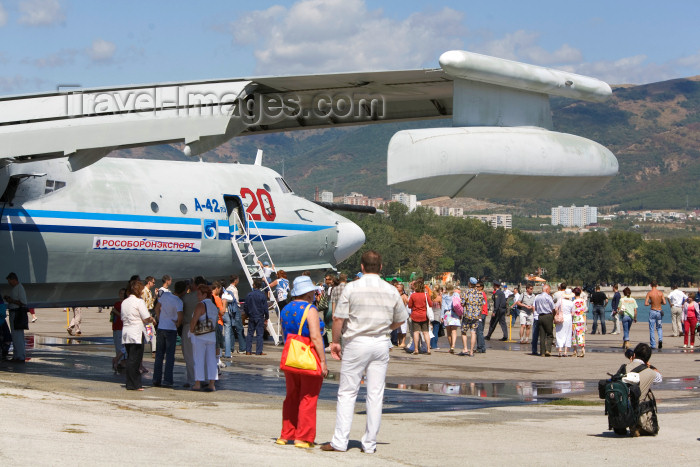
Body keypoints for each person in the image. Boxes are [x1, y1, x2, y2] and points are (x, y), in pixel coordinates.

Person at [321, 250, 407, 454]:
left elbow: (338, 318)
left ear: (361, 267)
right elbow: (401, 319)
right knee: (375, 394)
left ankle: (340, 441)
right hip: (380, 343)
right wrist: (386, 329)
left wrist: (334, 341)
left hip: (356, 342)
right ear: (381, 267)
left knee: (348, 392)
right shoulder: (391, 290)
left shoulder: (351, 288)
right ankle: (369, 444)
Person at [277, 276, 328, 449]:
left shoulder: (285, 309)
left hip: (291, 355)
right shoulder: (310, 309)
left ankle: (286, 434)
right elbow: (315, 337)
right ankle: (303, 437)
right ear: (308, 292)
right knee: (308, 397)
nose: (315, 293)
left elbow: (284, 335)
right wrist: (323, 361)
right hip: (308, 355)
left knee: (291, 396)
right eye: (313, 291)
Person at [121, 280, 156, 390]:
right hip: (136, 332)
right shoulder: (139, 301)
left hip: (126, 331)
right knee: (135, 360)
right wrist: (152, 320)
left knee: (130, 357)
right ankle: (135, 383)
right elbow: (146, 317)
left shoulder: (124, 302)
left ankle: (130, 383)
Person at [152, 281, 185, 388]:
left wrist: (159, 317)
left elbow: (157, 308)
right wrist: (177, 324)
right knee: (170, 356)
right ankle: (167, 379)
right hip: (171, 329)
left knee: (159, 355)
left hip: (161, 327)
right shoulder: (179, 301)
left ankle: (156, 379)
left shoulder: (165, 295)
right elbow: (180, 316)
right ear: (184, 291)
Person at [626, 343, 662, 437]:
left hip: (623, 408)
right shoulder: (650, 372)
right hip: (639, 408)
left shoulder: (624, 367)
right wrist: (649, 366)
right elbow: (659, 378)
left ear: (634, 355)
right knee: (647, 393)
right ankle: (639, 425)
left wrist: (631, 363)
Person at [189, 284, 219, 391]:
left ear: (204, 294)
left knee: (198, 359)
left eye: (199, 294)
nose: (197, 296)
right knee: (212, 360)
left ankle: (198, 383)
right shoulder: (214, 306)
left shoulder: (200, 305)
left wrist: (192, 330)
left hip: (200, 336)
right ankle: (212, 383)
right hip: (211, 336)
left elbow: (194, 320)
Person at [181, 276, 207, 387]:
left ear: (194, 285)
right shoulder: (207, 298)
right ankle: (204, 378)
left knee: (189, 354)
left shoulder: (186, 298)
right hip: (204, 326)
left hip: (189, 325)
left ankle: (192, 379)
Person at [4, 272, 28, 363]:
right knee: (15, 335)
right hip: (14, 313)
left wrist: (11, 300)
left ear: (14, 280)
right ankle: (17, 355)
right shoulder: (15, 288)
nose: (9, 283)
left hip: (17, 314)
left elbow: (23, 302)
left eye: (10, 281)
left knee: (18, 335)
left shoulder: (19, 288)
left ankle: (20, 356)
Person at [407, 278, 433, 355]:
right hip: (424, 316)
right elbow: (430, 304)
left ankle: (416, 349)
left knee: (416, 332)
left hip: (415, 316)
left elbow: (409, 306)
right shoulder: (426, 295)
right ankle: (428, 349)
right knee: (426, 332)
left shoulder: (413, 295)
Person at [244, 278, 269, 355]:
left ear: (254, 285)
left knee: (250, 334)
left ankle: (248, 350)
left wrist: (247, 314)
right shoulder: (262, 295)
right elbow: (265, 308)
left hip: (252, 316)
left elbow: (246, 306)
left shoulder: (249, 295)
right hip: (260, 316)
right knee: (259, 334)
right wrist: (267, 317)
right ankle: (259, 351)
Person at [462, 278, 484, 357]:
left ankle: (465, 348)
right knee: (473, 332)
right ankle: (471, 351)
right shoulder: (479, 293)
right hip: (476, 315)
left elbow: (462, 303)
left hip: (467, 315)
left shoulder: (466, 292)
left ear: (469, 283)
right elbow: (482, 304)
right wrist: (479, 314)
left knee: (464, 331)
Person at [644, 280, 666, 350]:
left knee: (651, 328)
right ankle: (660, 339)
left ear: (650, 285)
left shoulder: (649, 293)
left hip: (653, 311)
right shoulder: (660, 293)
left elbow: (646, 303)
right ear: (657, 285)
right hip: (659, 311)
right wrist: (660, 302)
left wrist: (651, 303)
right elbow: (664, 302)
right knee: (659, 327)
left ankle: (653, 344)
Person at [534, 284, 555, 357]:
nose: (549, 292)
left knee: (542, 335)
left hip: (540, 316)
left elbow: (535, 307)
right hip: (547, 316)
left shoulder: (537, 297)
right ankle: (548, 350)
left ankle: (542, 352)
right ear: (546, 290)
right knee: (549, 334)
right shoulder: (548, 297)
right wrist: (553, 316)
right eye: (549, 290)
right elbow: (553, 307)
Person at [110, 288, 127, 373]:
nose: (121, 295)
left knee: (121, 346)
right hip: (117, 327)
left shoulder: (125, 303)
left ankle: (120, 361)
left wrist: (115, 312)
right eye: (120, 293)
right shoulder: (117, 303)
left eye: (123, 293)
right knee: (118, 345)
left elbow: (123, 316)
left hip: (122, 327)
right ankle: (119, 360)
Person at [555, 289, 574, 357]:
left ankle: (560, 349)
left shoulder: (560, 300)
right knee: (567, 334)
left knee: (560, 333)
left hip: (561, 317)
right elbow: (573, 313)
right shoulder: (571, 302)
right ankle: (565, 351)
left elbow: (556, 308)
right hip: (568, 318)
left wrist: (557, 313)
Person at [443, 284, 461, 353]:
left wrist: (442, 316)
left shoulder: (444, 295)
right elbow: (459, 303)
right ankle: (453, 346)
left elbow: (443, 306)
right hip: (455, 313)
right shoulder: (456, 294)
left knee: (448, 332)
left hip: (447, 314)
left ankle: (451, 346)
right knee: (454, 331)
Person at [571, 287, 587, 357]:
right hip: (582, 319)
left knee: (574, 335)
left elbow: (572, 311)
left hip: (575, 319)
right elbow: (586, 309)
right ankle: (582, 349)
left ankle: (575, 350)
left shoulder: (573, 302)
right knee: (581, 334)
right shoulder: (583, 301)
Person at [475, 282, 488, 353]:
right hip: (483, 313)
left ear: (481, 287)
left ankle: (480, 348)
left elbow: (481, 305)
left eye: (477, 286)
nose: (476, 288)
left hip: (481, 313)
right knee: (480, 331)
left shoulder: (480, 294)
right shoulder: (483, 293)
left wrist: (479, 314)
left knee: (479, 331)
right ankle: (482, 347)